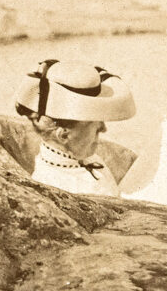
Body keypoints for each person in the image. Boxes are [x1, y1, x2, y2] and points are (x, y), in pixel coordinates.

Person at [14, 59, 136, 198]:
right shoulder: (58, 186)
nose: (103, 128)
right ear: (64, 136)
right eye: (95, 124)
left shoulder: (88, 160)